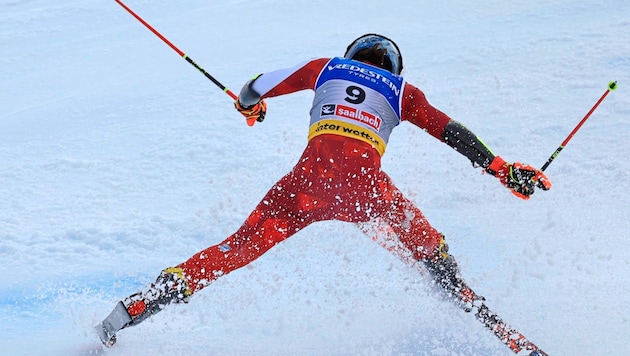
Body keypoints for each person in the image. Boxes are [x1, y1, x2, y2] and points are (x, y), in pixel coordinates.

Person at [95, 33, 551, 347]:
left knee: (236, 248)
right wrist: (502, 169)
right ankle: (454, 287)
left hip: (304, 187)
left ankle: (144, 303)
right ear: (394, 67)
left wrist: (248, 107)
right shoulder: (402, 90)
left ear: (351, 55)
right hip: (365, 194)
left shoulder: (324, 67)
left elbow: (254, 86)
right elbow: (450, 132)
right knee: (419, 237)